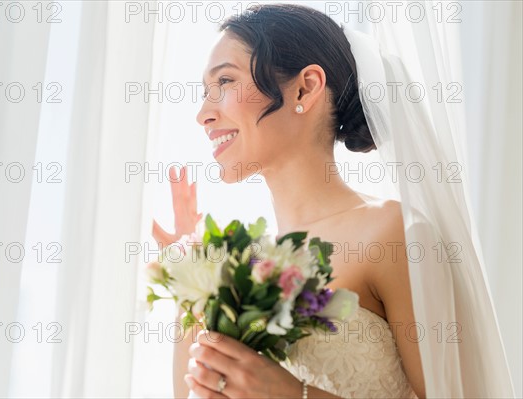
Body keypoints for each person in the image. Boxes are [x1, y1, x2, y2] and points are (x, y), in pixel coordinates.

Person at [152, 3, 514, 399]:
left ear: (306, 87)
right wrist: (189, 287)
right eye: (205, 93)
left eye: (224, 82)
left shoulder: (392, 233)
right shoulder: (243, 263)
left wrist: (295, 395)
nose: (203, 114)